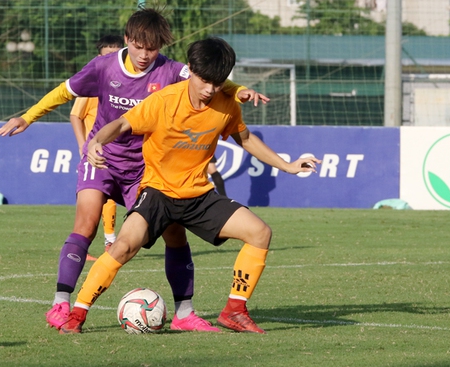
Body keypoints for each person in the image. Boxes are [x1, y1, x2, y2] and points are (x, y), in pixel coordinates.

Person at [0, 6, 268, 333]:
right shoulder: (103, 67)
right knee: (87, 222)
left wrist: (239, 91)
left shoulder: (171, 71)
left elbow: (209, 77)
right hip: (103, 156)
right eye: (138, 46)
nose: (144, 54)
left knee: (175, 232)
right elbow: (64, 92)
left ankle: (184, 313)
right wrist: (28, 116)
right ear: (127, 40)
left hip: (143, 167)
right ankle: (62, 303)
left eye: (152, 49)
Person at [59, 37, 320, 334]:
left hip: (198, 195)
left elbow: (245, 139)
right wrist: (96, 142)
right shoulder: (164, 101)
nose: (210, 89)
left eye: (218, 83)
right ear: (191, 70)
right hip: (158, 193)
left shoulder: (225, 105)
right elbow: (120, 124)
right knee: (122, 247)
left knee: (260, 233)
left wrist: (287, 165)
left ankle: (234, 311)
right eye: (205, 80)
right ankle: (77, 315)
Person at [70, 35, 124, 260]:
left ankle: (112, 242)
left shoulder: (128, 85)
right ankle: (105, 243)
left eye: (116, 54)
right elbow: (75, 115)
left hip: (122, 151)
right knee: (95, 200)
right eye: (106, 55)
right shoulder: (94, 84)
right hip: (97, 152)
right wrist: (84, 148)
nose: (111, 60)